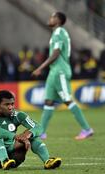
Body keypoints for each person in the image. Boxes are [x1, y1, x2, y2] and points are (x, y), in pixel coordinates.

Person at [31, 12, 94, 140]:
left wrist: (40, 68)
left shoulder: (59, 32)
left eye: (53, 17)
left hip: (59, 71)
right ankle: (41, 132)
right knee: (48, 101)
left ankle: (87, 129)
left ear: (59, 20)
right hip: (54, 71)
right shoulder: (57, 33)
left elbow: (56, 53)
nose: (50, 18)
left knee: (67, 99)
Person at [0, 90, 61, 170]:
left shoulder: (17, 115)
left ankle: (47, 161)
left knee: (31, 135)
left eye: (12, 104)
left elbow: (39, 127)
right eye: (7, 104)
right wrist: (15, 136)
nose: (10, 107)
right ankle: (4, 160)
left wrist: (28, 134)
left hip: (11, 155)